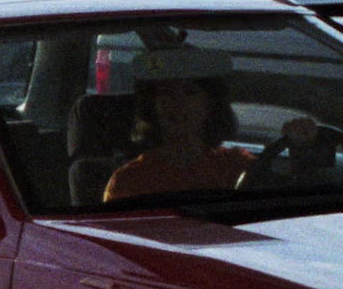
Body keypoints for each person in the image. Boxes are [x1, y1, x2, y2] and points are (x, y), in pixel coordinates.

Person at [104, 45, 316, 202]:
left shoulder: (237, 166)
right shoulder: (129, 180)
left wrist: (300, 151)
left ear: (210, 103)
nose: (178, 103)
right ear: (152, 106)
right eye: (167, 93)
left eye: (190, 92)